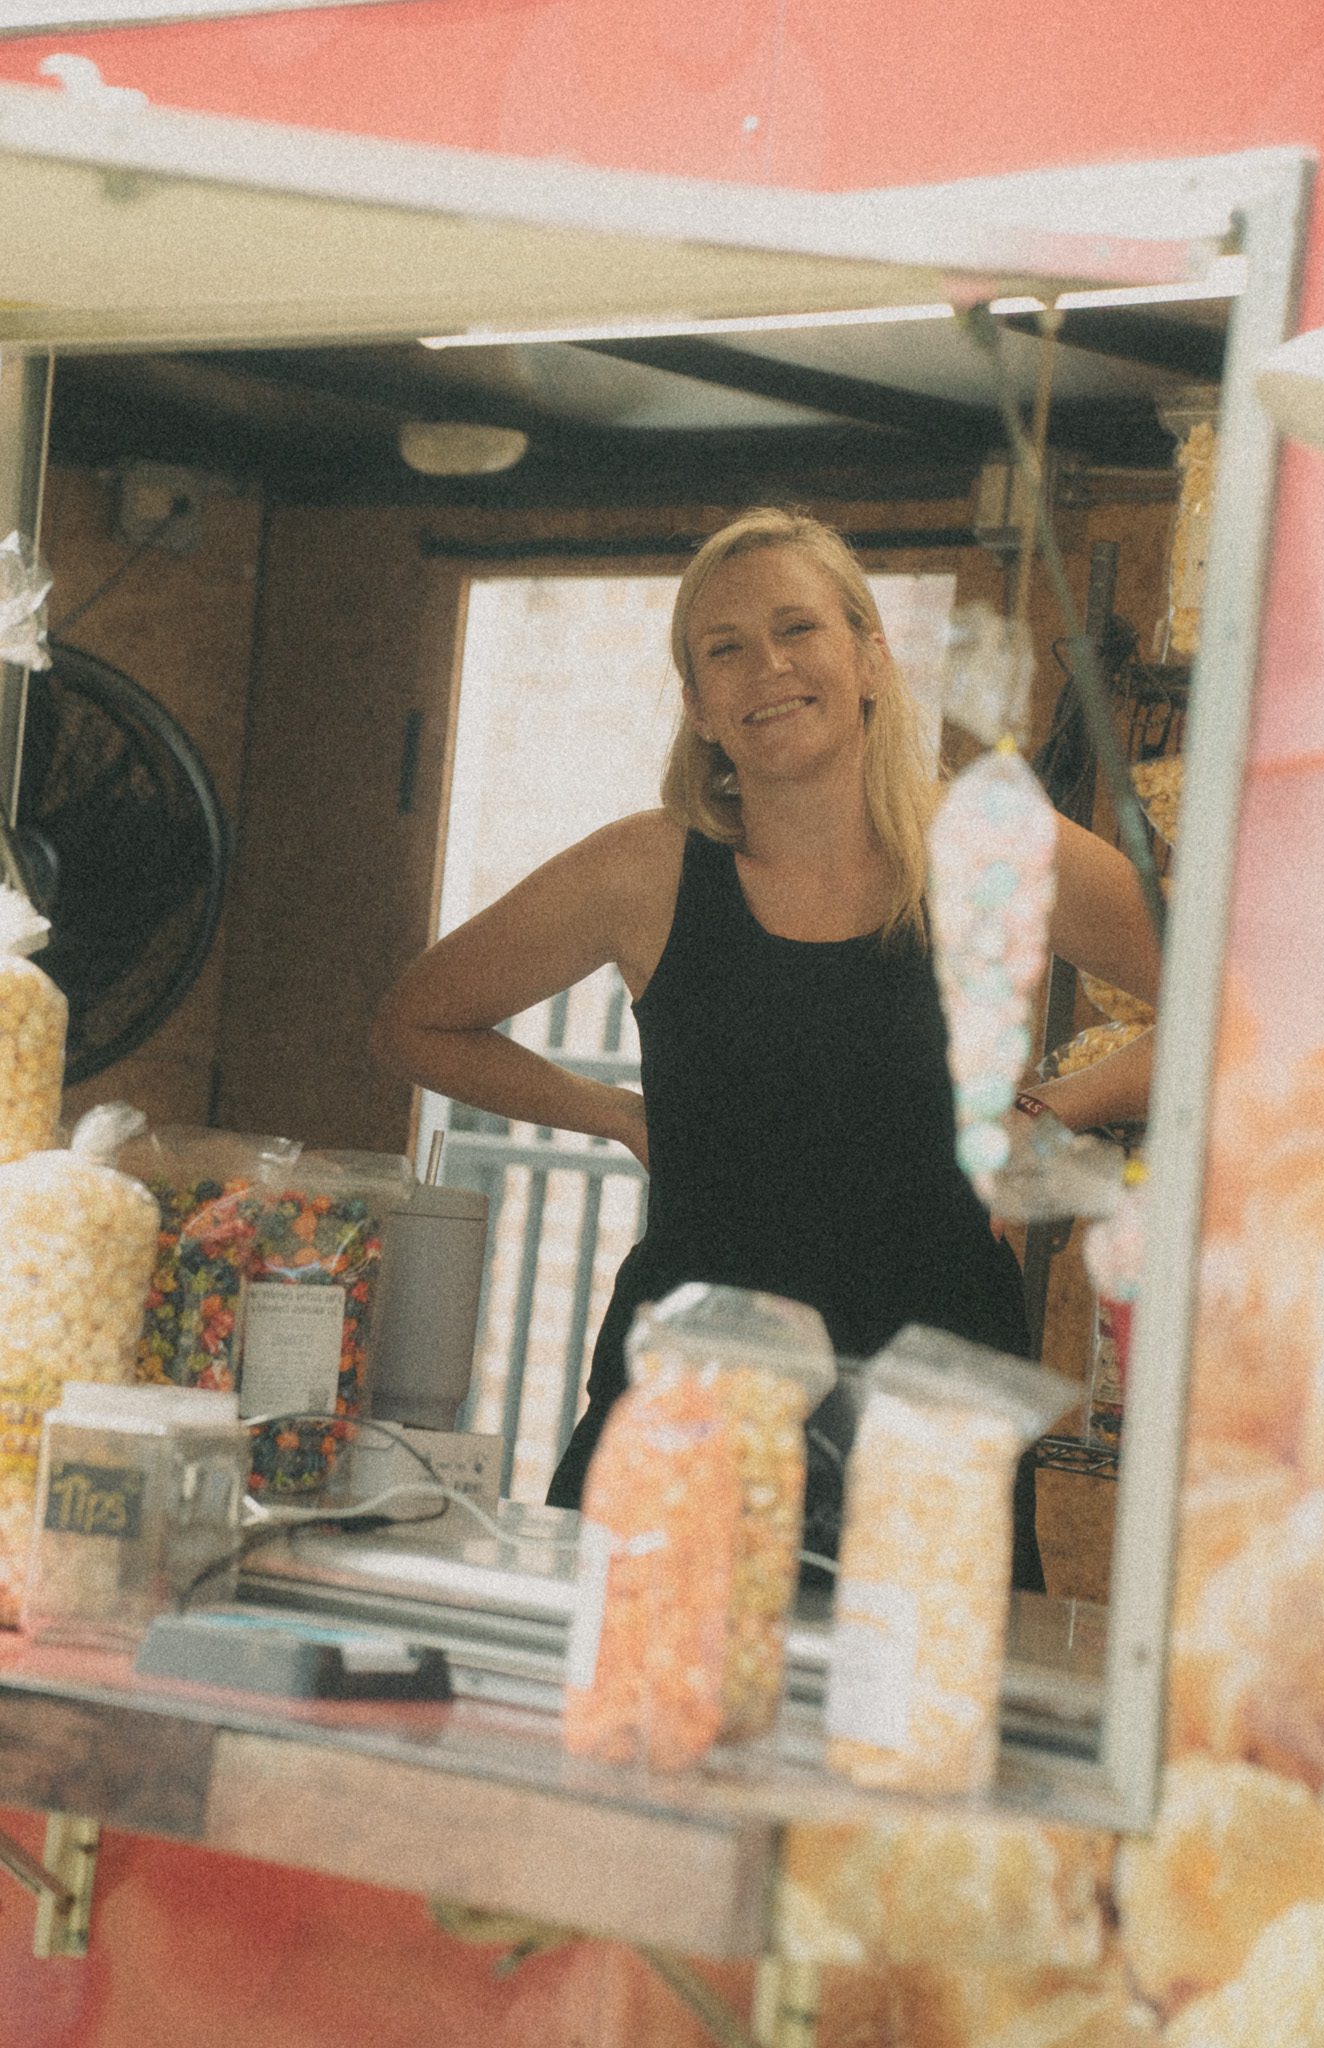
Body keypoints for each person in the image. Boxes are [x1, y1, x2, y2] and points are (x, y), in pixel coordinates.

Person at [373, 507, 1162, 1590]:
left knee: (898, 1740)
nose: (769, 667)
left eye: (799, 630)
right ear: (697, 707)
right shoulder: (642, 872)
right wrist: (613, 1113)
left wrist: (1057, 1106)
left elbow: (1245, 1009)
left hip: (931, 1414)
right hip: (688, 1406)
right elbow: (416, 1019)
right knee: (629, 1727)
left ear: (872, 657)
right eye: (725, 649)